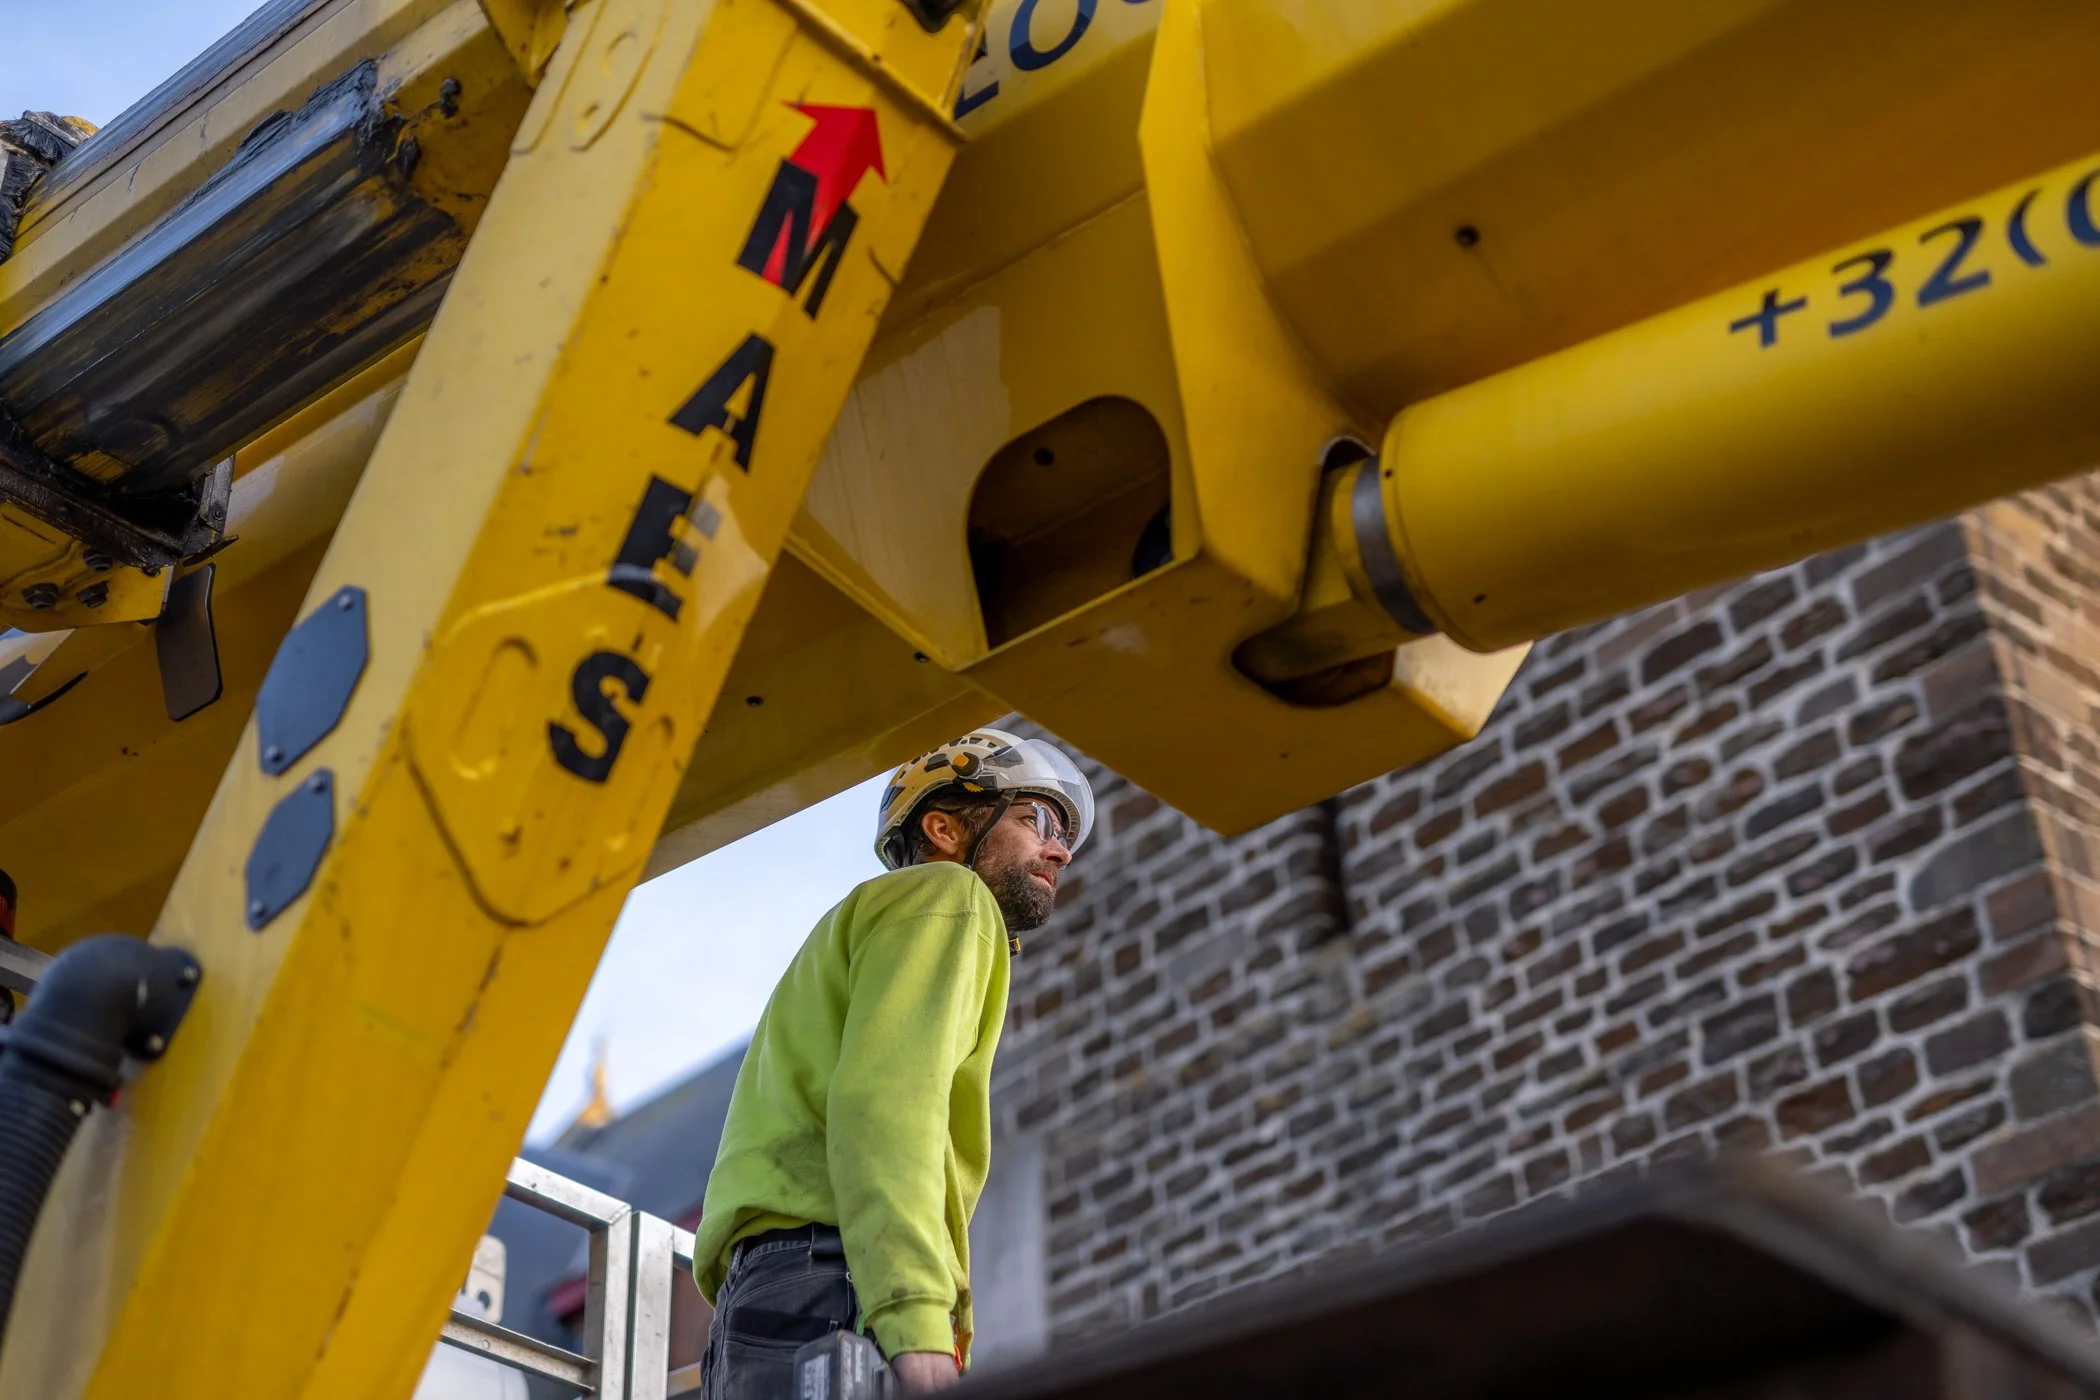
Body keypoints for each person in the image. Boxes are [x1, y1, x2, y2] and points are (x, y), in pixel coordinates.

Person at [692, 728, 1094, 1399]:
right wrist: (914, 1317)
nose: (1060, 849)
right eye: (1035, 821)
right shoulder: (950, 898)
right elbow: (887, 1103)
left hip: (771, 1290)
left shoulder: (857, 926)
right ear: (943, 828)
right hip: (840, 1280)